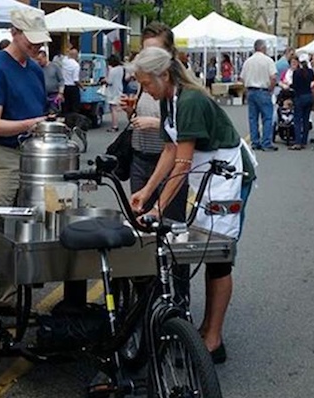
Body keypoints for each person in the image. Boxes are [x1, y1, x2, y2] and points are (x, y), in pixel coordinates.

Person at [129, 46, 257, 363]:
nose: (144, 90)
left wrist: (158, 207)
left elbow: (182, 164)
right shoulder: (168, 101)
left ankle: (213, 338)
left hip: (227, 176)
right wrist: (147, 191)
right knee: (204, 247)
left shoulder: (191, 100)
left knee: (219, 256)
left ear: (164, 75)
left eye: (146, 83)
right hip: (206, 176)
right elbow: (170, 151)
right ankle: (203, 331)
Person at [0, 9, 50, 307]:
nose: (37, 47)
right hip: (4, 156)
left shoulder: (33, 69)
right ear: (14, 33)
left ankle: (9, 295)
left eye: (39, 42)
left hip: (31, 156)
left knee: (27, 227)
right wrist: (31, 124)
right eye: (32, 41)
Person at [119, 20, 191, 314]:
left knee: (174, 234)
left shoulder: (182, 89)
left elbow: (180, 139)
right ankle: (147, 302)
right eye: (143, 52)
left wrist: (155, 123)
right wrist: (130, 112)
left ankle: (178, 301)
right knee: (143, 234)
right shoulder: (145, 83)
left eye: (154, 52)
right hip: (142, 157)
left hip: (169, 160)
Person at [240, 39, 278, 151]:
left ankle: (255, 142)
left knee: (253, 118)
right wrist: (271, 88)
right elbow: (273, 77)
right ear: (263, 48)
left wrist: (246, 89)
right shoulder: (268, 60)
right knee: (267, 117)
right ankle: (266, 142)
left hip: (251, 90)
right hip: (263, 90)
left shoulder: (248, 61)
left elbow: (242, 78)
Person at [289, 53, 314, 150]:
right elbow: (313, 80)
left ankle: (298, 142)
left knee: (297, 120)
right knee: (306, 119)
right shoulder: (310, 72)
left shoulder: (297, 72)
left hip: (299, 97)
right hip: (309, 96)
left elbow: (294, 85)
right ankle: (304, 140)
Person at [36, 49, 64, 114]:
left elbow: (61, 80)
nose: (39, 61)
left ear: (45, 57)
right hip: (42, 95)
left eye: (40, 59)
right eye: (37, 59)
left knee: (53, 113)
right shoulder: (37, 68)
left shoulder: (55, 66)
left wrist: (60, 93)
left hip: (53, 95)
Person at [104, 54, 125, 132]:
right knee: (115, 108)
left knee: (113, 109)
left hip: (112, 91)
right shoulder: (120, 69)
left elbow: (109, 81)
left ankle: (114, 126)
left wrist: (105, 78)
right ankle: (115, 125)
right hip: (119, 89)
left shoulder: (112, 70)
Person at [61, 48, 82, 114]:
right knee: (74, 108)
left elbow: (66, 55)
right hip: (73, 88)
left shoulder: (64, 62)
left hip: (65, 87)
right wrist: (82, 87)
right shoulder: (76, 65)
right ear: (76, 55)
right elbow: (76, 80)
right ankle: (74, 120)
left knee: (66, 106)